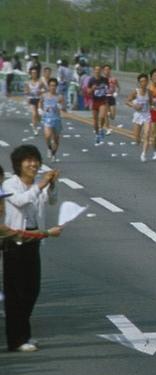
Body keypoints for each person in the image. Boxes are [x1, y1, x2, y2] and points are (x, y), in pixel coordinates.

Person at [2, 145, 63, 352]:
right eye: (28, 161)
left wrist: (52, 185)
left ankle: (23, 334)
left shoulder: (39, 185)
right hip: (15, 242)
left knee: (32, 290)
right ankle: (16, 339)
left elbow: (52, 201)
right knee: (16, 293)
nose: (33, 164)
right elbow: (20, 201)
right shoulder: (9, 184)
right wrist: (41, 184)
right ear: (19, 164)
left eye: (35, 160)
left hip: (33, 241)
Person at [126, 73, 151, 161]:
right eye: (141, 81)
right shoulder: (135, 92)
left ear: (147, 82)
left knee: (147, 134)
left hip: (147, 115)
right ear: (139, 83)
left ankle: (143, 154)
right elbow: (127, 101)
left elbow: (151, 103)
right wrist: (134, 105)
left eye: (145, 81)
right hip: (138, 115)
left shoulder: (149, 92)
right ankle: (138, 141)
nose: (143, 83)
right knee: (137, 138)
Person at [39, 78, 65, 163]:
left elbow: (63, 107)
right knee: (47, 136)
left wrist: (60, 106)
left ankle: (54, 154)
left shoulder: (59, 97)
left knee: (56, 139)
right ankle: (49, 148)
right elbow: (41, 102)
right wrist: (40, 109)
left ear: (56, 87)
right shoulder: (44, 95)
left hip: (56, 119)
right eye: (51, 85)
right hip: (47, 118)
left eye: (54, 86)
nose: (52, 87)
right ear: (48, 86)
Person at [87, 65, 109, 145]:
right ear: (94, 71)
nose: (98, 71)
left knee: (102, 117)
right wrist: (92, 88)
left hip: (102, 100)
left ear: (101, 71)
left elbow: (107, 89)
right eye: (96, 70)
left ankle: (101, 128)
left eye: (99, 70)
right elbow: (88, 91)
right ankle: (97, 134)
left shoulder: (105, 79)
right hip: (94, 101)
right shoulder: (91, 80)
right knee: (95, 121)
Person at [24, 67, 44, 135]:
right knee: (34, 114)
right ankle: (35, 129)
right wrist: (28, 92)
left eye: (35, 73)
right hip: (31, 99)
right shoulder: (27, 82)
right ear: (30, 74)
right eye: (32, 73)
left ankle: (37, 121)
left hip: (38, 99)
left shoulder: (40, 82)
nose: (34, 74)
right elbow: (25, 92)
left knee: (39, 114)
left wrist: (41, 91)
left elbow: (44, 90)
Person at [102, 64, 119, 134]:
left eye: (108, 69)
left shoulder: (114, 79)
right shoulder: (101, 79)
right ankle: (108, 128)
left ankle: (109, 113)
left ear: (110, 70)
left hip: (111, 97)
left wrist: (116, 92)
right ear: (103, 71)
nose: (107, 71)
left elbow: (118, 87)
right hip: (104, 97)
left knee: (112, 116)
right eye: (105, 70)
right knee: (106, 114)